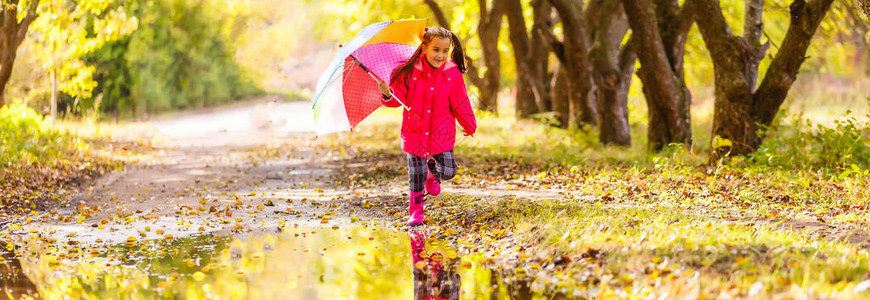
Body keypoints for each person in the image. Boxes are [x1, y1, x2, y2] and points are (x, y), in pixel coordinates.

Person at [378, 27, 477, 226]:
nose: (440, 55)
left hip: (442, 132)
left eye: (444, 50)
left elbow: (461, 103)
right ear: (424, 47)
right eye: (435, 50)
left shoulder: (452, 73)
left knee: (449, 171)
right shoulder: (409, 71)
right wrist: (388, 94)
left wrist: (469, 125)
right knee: (416, 175)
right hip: (415, 132)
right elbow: (398, 97)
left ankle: (433, 173)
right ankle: (416, 211)